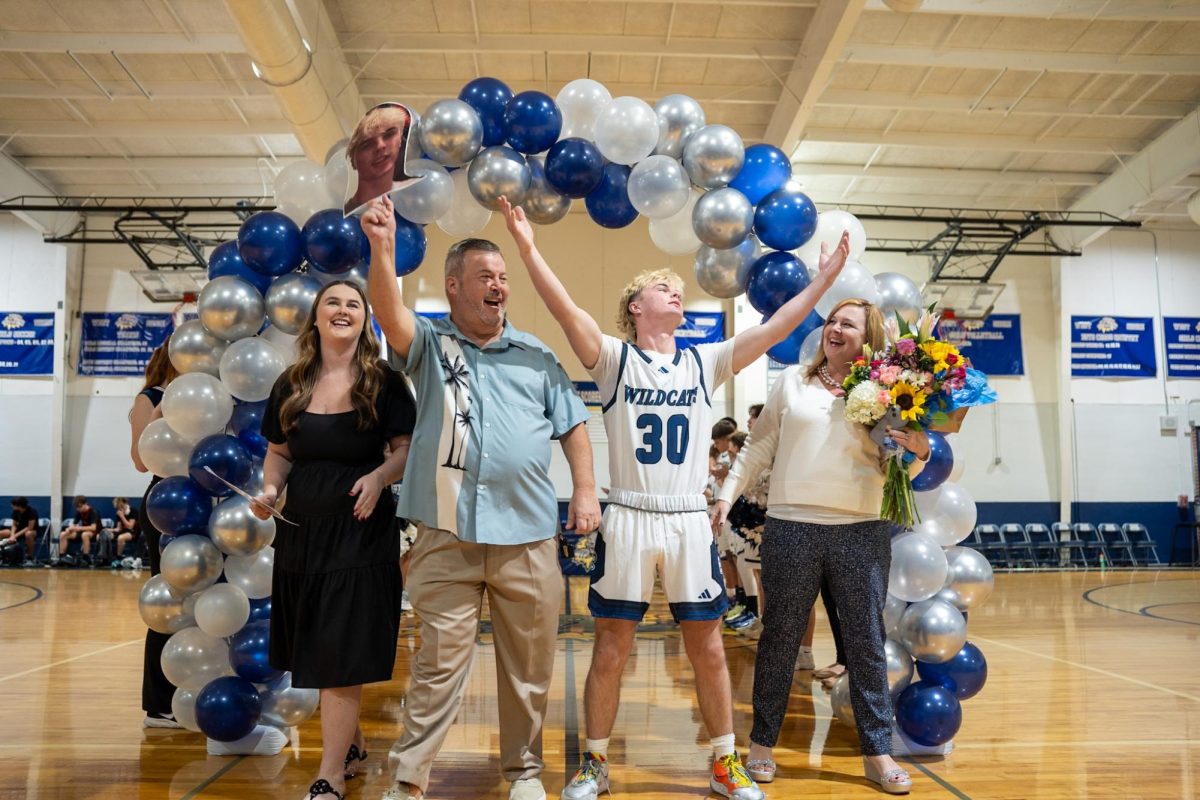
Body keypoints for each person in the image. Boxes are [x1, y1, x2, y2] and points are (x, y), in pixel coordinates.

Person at [498, 195, 848, 800]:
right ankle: (596, 762)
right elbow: (564, 309)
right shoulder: (613, 358)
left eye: (677, 287)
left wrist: (824, 279)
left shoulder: (703, 360)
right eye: (664, 287)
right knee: (612, 647)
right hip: (629, 515)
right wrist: (528, 247)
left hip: (688, 520)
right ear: (636, 308)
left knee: (708, 648)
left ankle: (723, 761)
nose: (677, 292)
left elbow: (777, 327)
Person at [363, 194, 600, 800]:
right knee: (438, 666)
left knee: (529, 671)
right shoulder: (431, 346)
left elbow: (573, 424)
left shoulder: (537, 354)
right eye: (485, 277)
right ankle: (410, 779)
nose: (498, 287)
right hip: (446, 536)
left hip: (529, 538)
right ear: (453, 287)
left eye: (502, 278)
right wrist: (383, 245)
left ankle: (523, 773)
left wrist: (585, 491)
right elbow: (391, 317)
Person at [711, 298, 930, 795]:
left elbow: (902, 469)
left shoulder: (890, 392)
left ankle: (877, 752)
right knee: (780, 639)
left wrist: (920, 450)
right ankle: (762, 745)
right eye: (831, 320)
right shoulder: (792, 382)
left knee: (865, 646)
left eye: (846, 323)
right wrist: (726, 496)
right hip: (792, 526)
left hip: (863, 529)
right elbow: (758, 446)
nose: (833, 328)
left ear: (867, 337)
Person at [252, 279, 416, 800]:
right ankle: (351, 742)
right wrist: (269, 489)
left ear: (365, 320)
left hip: (362, 533)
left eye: (354, 304)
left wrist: (378, 477)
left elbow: (405, 450)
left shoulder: (385, 382)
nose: (344, 310)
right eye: (333, 303)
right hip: (301, 533)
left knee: (339, 649)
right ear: (316, 318)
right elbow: (280, 452)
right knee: (319, 646)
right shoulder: (291, 382)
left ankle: (329, 776)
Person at [129, 342, 181, 726]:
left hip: (196, 503)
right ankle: (159, 704)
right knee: (166, 601)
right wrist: (165, 411)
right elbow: (139, 459)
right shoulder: (150, 397)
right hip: (164, 503)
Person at [344, 102, 417, 216]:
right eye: (367, 144)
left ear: (400, 141)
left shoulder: (412, 193)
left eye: (389, 135)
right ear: (354, 160)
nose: (380, 146)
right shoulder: (345, 213)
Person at [58, 495, 100, 565]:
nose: (78, 509)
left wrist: (78, 528)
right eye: (77, 507)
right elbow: (74, 524)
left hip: (95, 532)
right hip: (83, 530)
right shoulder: (79, 512)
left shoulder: (93, 511)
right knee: (63, 534)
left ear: (85, 504)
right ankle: (62, 557)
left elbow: (93, 528)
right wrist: (69, 529)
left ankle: (86, 558)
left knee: (85, 535)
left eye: (80, 507)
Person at [1, 497, 40, 564]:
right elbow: (14, 525)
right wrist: (12, 535)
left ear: (19, 506)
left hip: (31, 531)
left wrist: (14, 536)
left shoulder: (32, 511)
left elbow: (29, 527)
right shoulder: (15, 511)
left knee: (28, 534)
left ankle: (30, 557)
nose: (11, 506)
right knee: (3, 532)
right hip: (18, 531)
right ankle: (2, 555)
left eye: (13, 505)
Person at [108, 497, 140, 563]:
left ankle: (118, 557)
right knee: (107, 535)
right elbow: (118, 528)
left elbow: (130, 526)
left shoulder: (133, 511)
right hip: (123, 531)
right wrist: (109, 530)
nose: (119, 509)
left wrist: (122, 516)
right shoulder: (119, 513)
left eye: (119, 507)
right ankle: (106, 557)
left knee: (121, 538)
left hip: (133, 532)